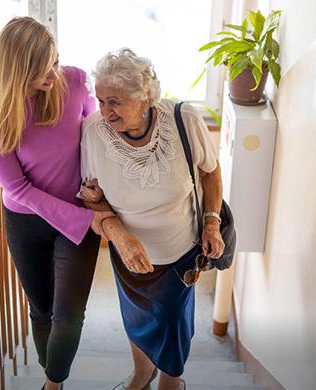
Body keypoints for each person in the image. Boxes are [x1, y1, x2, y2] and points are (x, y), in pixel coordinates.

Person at [0, 16, 114, 390]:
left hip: (80, 215)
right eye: (42, 68)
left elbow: (95, 141)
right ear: (17, 70)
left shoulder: (75, 80)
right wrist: (82, 219)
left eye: (55, 60)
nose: (54, 73)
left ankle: (53, 382)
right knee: (41, 310)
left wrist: (95, 201)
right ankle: (53, 368)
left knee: (69, 314)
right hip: (26, 220)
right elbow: (17, 188)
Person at [78, 48, 225, 390]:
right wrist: (118, 235)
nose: (105, 112)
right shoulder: (92, 132)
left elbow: (211, 172)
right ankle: (142, 374)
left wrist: (212, 222)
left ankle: (171, 381)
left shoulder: (184, 119)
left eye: (114, 101)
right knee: (137, 318)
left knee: (172, 322)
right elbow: (92, 198)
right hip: (128, 254)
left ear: (143, 98)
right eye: (99, 101)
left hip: (180, 252)